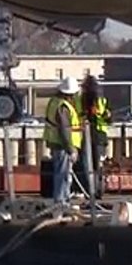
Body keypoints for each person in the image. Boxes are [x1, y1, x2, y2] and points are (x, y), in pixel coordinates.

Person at [43, 77, 82, 206]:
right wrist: (71, 149)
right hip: (62, 145)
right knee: (63, 174)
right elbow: (64, 129)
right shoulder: (63, 107)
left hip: (57, 143)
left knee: (63, 173)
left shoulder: (54, 102)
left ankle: (63, 199)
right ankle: (61, 201)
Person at [78, 75, 112, 199]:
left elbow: (109, 118)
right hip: (89, 135)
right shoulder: (81, 100)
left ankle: (97, 190)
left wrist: (103, 115)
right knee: (90, 165)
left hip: (97, 135)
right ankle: (91, 190)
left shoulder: (101, 101)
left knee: (96, 165)